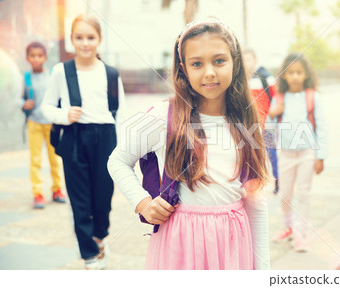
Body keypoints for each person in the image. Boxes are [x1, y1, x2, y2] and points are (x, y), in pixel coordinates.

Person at [108, 17, 271, 270]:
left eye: (219, 60)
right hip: (180, 244)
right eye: (197, 63)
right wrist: (142, 202)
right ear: (183, 68)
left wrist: (263, 271)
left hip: (232, 246)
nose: (209, 72)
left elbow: (256, 204)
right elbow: (117, 160)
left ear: (235, 62)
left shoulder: (248, 124)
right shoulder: (163, 116)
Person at [41, 15, 126, 269]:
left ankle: (100, 236)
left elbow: (120, 112)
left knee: (103, 197)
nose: (85, 43)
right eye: (79, 37)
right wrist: (63, 115)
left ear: (99, 40)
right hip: (75, 137)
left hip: (106, 138)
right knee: (79, 199)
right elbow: (46, 107)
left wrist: (124, 148)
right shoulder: (61, 71)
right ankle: (89, 255)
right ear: (71, 40)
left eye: (91, 37)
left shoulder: (110, 73)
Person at [268, 52, 328, 252]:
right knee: (285, 194)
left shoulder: (313, 97)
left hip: (307, 153)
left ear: (305, 75)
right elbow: (268, 128)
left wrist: (321, 156)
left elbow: (322, 127)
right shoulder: (279, 97)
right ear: (284, 75)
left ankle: (300, 233)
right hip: (285, 153)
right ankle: (289, 226)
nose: (294, 76)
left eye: (299, 72)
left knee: (303, 193)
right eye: (291, 72)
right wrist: (272, 113)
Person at [22, 42, 65, 209]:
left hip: (51, 124)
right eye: (32, 56)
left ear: (45, 57)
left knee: (55, 159)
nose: (36, 59)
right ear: (27, 58)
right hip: (34, 123)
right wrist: (23, 103)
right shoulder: (25, 78)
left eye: (39, 55)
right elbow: (17, 97)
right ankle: (38, 194)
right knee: (36, 160)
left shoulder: (52, 75)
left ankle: (57, 190)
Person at [243, 48, 279, 193]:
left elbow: (276, 98)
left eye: (249, 59)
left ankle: (277, 179)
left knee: (271, 153)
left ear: (255, 60)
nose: (246, 63)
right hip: (247, 126)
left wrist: (273, 116)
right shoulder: (239, 80)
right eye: (243, 59)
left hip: (266, 124)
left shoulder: (266, 78)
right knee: (251, 155)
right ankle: (253, 183)